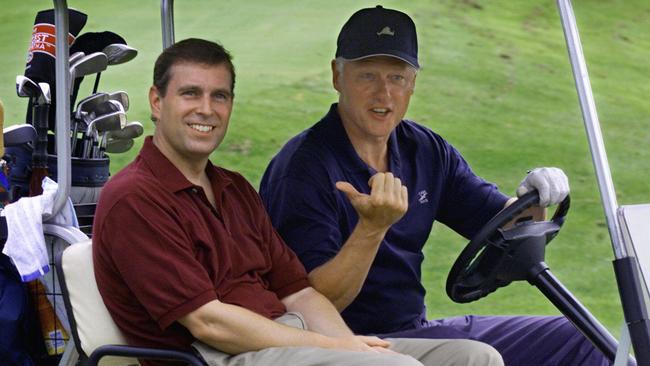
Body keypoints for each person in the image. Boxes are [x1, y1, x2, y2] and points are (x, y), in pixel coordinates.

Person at [92, 38, 504, 366]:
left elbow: (299, 294)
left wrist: (349, 345)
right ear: (158, 101)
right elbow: (208, 322)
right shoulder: (136, 198)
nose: (207, 109)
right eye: (190, 93)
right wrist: (334, 347)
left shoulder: (234, 190)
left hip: (281, 338)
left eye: (220, 96)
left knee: (474, 358)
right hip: (214, 355)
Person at [260, 6, 609, 366]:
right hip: (348, 345)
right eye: (367, 76)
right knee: (478, 358)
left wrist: (536, 197)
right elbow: (314, 304)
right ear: (337, 75)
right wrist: (372, 228)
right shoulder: (303, 170)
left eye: (397, 78)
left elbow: (501, 222)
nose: (384, 94)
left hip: (417, 329)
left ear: (413, 83)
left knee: (584, 337)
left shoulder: (424, 149)